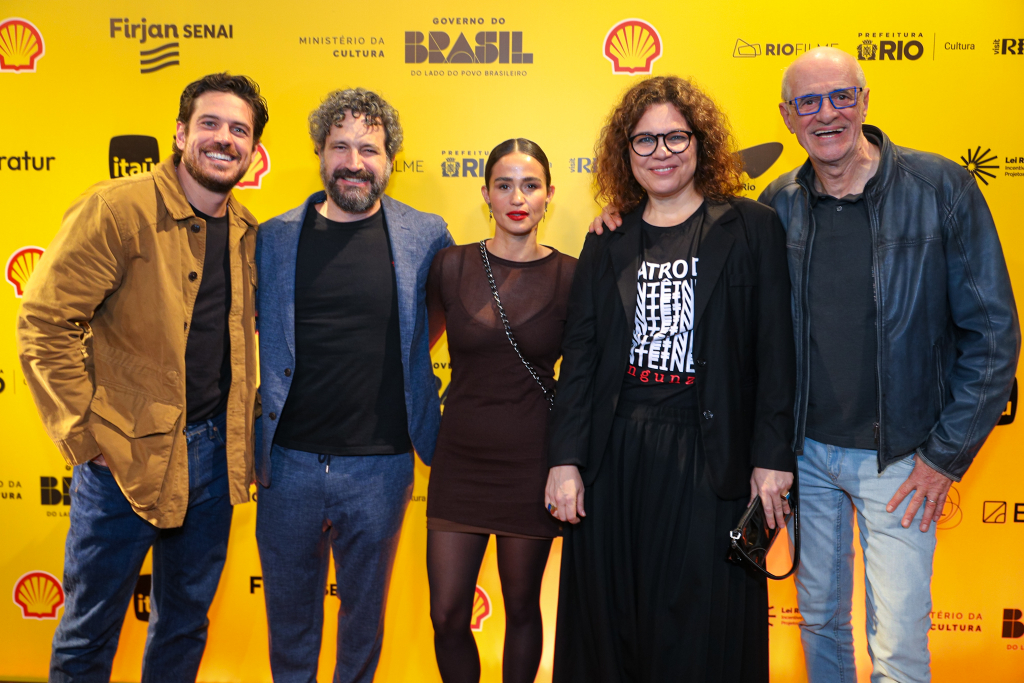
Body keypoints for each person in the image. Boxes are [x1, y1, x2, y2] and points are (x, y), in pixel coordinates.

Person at [761, 47, 1019, 682]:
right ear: (788, 117)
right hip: (805, 457)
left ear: (865, 101)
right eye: (809, 102)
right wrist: (620, 217)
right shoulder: (776, 204)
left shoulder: (940, 188)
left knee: (898, 644)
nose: (827, 114)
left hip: (904, 458)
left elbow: (992, 333)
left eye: (841, 96)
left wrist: (943, 459)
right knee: (820, 622)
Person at [16, 73, 268, 681]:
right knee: (88, 631)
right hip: (122, 460)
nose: (223, 139)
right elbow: (45, 323)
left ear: (254, 151)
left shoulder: (246, 230)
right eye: (209, 123)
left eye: (239, 130)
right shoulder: (116, 209)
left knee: (184, 623)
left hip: (212, 461)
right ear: (180, 132)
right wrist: (86, 440)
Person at [545, 75, 796, 683]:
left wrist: (771, 456)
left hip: (712, 456)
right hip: (616, 452)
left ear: (700, 143)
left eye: (675, 137)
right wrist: (565, 460)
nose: (661, 152)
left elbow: (775, 351)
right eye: (645, 141)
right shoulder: (607, 239)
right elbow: (578, 358)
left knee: (700, 626)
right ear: (624, 154)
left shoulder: (751, 227)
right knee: (613, 619)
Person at [254, 88, 454, 682]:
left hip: (383, 466)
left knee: (363, 625)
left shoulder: (426, 234)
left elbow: (435, 319)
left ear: (390, 160)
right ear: (319, 152)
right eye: (339, 145)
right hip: (286, 463)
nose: (354, 161)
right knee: (289, 625)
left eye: (369, 148)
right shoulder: (273, 237)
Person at [425, 139, 577, 683]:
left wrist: (570, 463)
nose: (518, 197)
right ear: (485, 193)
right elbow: (418, 350)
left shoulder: (570, 276)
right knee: (445, 615)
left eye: (531, 185)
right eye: (505, 185)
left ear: (549, 196)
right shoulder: (450, 265)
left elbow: (583, 380)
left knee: (521, 609)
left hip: (532, 464)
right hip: (459, 461)